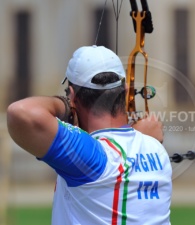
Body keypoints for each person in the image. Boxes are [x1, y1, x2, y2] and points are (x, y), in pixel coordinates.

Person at [7, 45, 172, 225]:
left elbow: (20, 112)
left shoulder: (91, 157)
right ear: (125, 90)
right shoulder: (156, 148)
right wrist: (143, 136)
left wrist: (67, 104)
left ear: (72, 96)